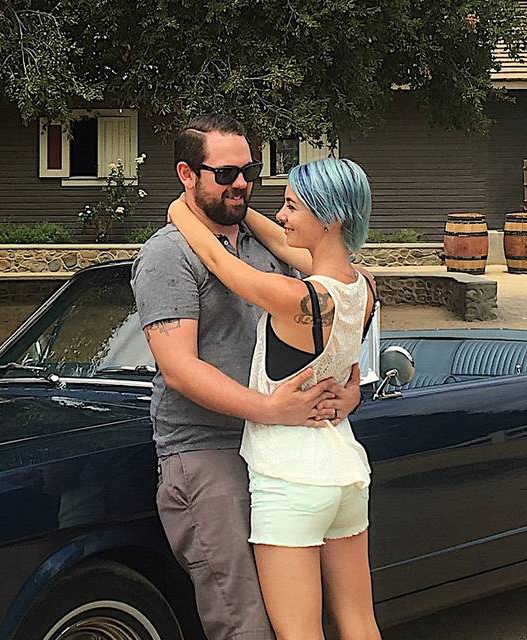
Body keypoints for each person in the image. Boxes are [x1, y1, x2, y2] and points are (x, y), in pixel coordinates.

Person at [130, 114, 364, 640]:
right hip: (208, 450)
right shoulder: (167, 255)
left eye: (250, 171)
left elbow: (334, 325)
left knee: (310, 619)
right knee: (249, 622)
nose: (241, 183)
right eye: (226, 173)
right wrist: (270, 409)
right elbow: (179, 368)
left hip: (286, 450)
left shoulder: (276, 245)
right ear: (187, 174)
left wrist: (351, 390)